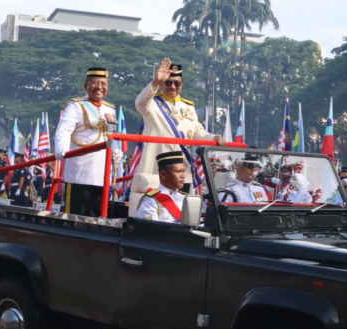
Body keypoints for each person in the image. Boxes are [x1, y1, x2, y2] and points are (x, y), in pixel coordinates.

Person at [134, 59, 224, 191]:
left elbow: (197, 131)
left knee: (184, 204)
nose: (172, 86)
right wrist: (155, 82)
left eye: (177, 83)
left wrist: (213, 138)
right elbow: (139, 103)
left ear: (182, 83)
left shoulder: (188, 107)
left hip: (183, 171)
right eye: (168, 82)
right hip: (158, 171)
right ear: (161, 84)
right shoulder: (152, 104)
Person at [54, 67, 122, 216]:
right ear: (86, 86)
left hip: (102, 174)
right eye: (95, 83)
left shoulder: (110, 108)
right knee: (74, 217)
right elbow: (64, 130)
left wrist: (116, 150)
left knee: (96, 217)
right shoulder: (76, 105)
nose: (99, 87)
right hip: (80, 173)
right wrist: (61, 147)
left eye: (103, 84)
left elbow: (111, 135)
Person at [137, 151, 188, 222]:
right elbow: (150, 227)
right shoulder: (151, 200)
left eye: (183, 171)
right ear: (163, 174)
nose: (183, 176)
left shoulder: (186, 198)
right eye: (178, 171)